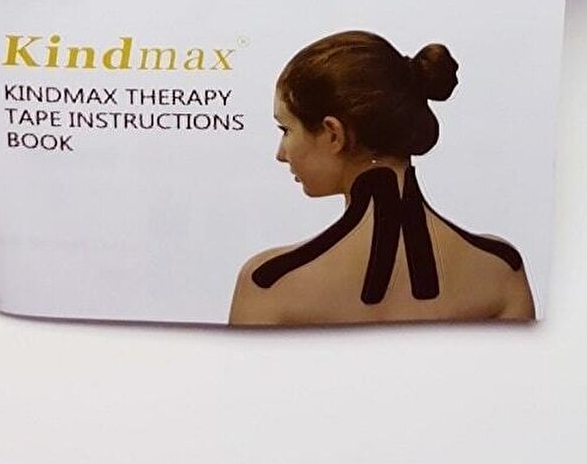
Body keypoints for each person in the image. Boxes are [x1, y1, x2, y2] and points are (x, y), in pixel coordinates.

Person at [228, 31, 534, 327]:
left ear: (333, 133)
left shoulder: (269, 284)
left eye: (286, 130)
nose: (281, 154)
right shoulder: (502, 268)